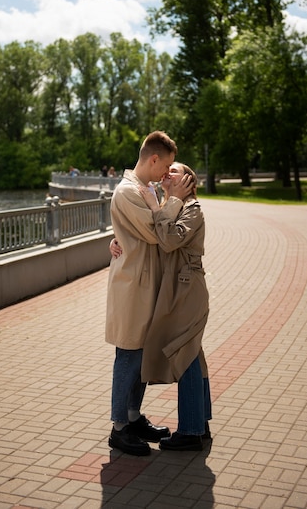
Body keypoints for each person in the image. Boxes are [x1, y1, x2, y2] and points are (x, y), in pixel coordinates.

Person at [111, 162, 212, 451]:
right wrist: (117, 240)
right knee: (191, 353)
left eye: (176, 171)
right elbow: (149, 233)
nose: (168, 172)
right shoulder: (167, 203)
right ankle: (198, 424)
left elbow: (167, 240)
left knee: (187, 352)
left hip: (186, 289)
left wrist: (170, 203)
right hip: (174, 290)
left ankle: (192, 431)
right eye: (167, 168)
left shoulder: (191, 209)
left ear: (189, 181)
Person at [106, 131, 193, 457]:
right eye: (167, 165)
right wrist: (175, 200)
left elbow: (149, 230)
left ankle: (132, 417)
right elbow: (157, 232)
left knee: (141, 356)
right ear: (153, 158)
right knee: (128, 356)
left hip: (147, 284)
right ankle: (118, 428)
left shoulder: (147, 190)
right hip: (132, 287)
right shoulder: (127, 191)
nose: (167, 173)